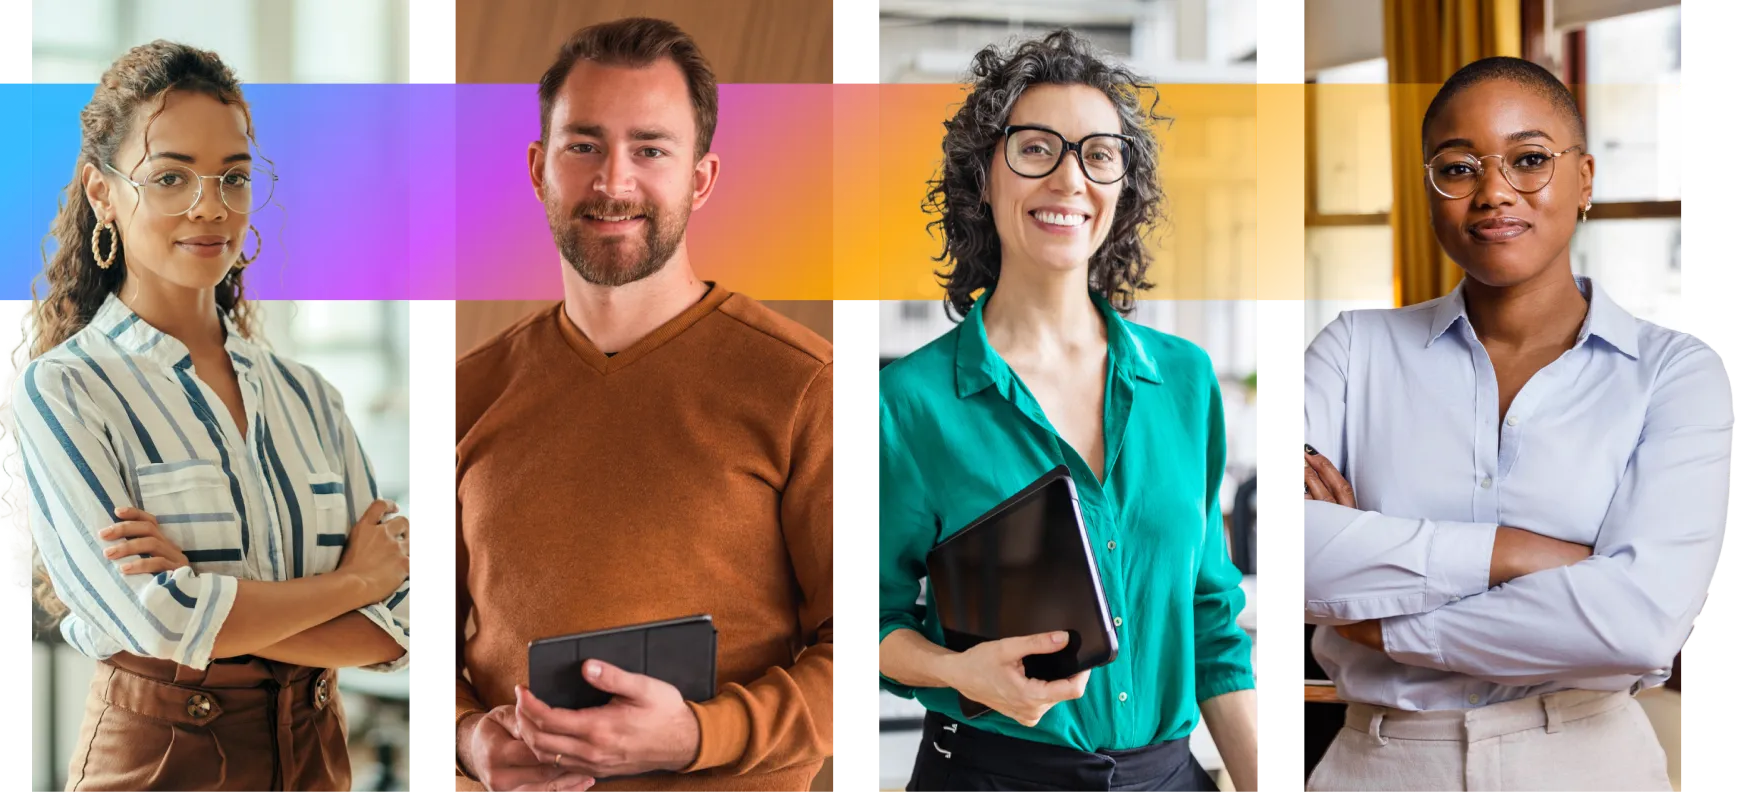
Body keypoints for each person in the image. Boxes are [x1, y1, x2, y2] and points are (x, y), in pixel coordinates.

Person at [0, 40, 414, 792]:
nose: (210, 204)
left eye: (234, 177)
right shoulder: (66, 392)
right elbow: (158, 625)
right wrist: (353, 582)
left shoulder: (311, 396)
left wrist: (212, 609)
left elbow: (401, 627)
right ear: (102, 193)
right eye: (170, 176)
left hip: (317, 756)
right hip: (161, 765)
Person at [1300, 56, 1724, 791]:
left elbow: (1641, 623)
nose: (1494, 192)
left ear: (1585, 178)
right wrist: (1526, 555)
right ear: (1430, 190)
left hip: (1588, 763)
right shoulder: (1352, 351)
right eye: (1458, 168)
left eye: (1529, 160)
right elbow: (1295, 555)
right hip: (1382, 763)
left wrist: (1384, 624)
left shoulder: (1675, 374)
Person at [450, 18, 835, 792]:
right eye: (583, 145)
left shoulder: (804, 383)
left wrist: (698, 734)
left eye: (650, 149)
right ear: (538, 167)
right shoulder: (466, 392)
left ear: (701, 177)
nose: (613, 182)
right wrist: (466, 743)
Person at [875, 29, 1259, 792]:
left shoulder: (1184, 381)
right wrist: (960, 671)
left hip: (1172, 778)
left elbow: (1210, 619)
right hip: (988, 777)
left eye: (1098, 155)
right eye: (1036, 148)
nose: (1069, 179)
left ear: (1122, 187)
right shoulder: (909, 404)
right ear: (983, 177)